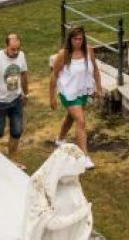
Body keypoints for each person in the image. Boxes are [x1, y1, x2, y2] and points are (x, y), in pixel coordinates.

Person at [50, 26, 102, 169]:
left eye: (80, 39)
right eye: (75, 39)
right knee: (80, 120)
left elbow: (95, 70)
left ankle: (60, 139)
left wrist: (98, 87)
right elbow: (54, 75)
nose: (78, 42)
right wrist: (52, 97)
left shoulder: (89, 50)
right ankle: (84, 157)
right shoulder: (64, 54)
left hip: (82, 91)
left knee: (71, 117)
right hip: (68, 92)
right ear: (70, 39)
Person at [0, 33, 29, 164]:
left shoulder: (21, 56)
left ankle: (12, 159)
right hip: (0, 102)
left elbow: (24, 75)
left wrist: (26, 94)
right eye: (12, 49)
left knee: (17, 130)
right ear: (6, 46)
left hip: (16, 100)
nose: (15, 52)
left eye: (17, 49)